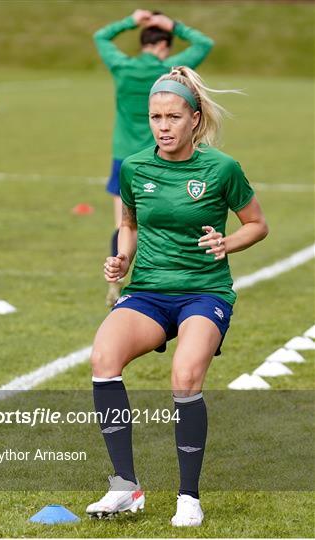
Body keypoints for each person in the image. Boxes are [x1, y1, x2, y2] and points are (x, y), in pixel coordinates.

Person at [85, 66, 268, 526]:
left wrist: (228, 243)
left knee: (184, 377)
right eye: (155, 117)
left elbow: (257, 225)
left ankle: (189, 497)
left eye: (172, 117)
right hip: (148, 290)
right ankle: (125, 487)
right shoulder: (134, 166)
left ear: (195, 119)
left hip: (204, 292)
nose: (162, 127)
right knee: (103, 358)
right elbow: (128, 224)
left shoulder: (222, 169)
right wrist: (122, 260)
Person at [93, 10, 214, 306]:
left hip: (123, 157)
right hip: (160, 157)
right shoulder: (168, 74)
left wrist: (131, 20)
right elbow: (204, 43)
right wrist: (172, 24)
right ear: (163, 45)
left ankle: (116, 281)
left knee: (125, 224)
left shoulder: (121, 66)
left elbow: (100, 36)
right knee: (159, 221)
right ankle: (169, 285)